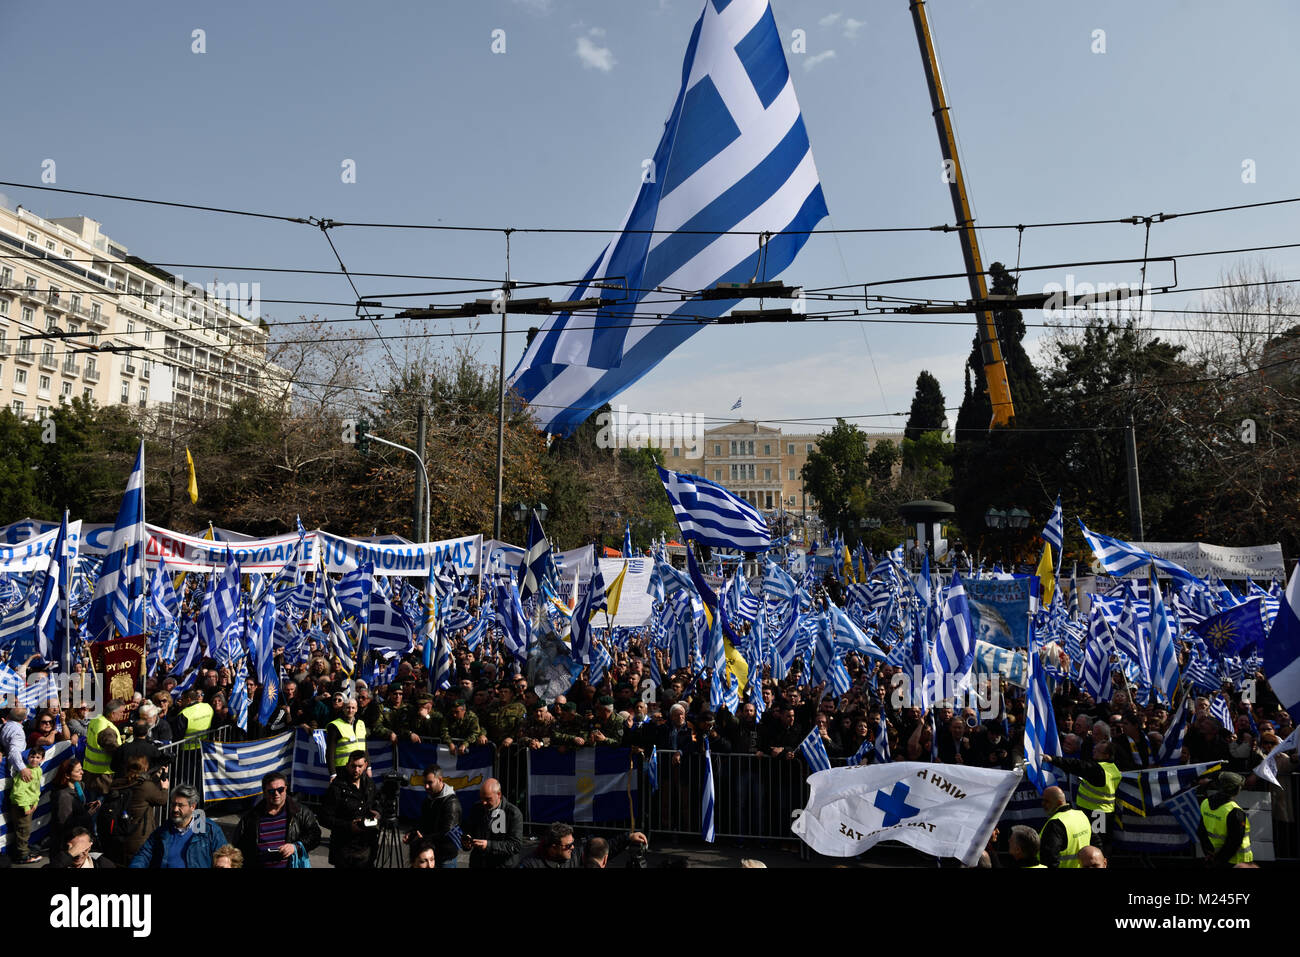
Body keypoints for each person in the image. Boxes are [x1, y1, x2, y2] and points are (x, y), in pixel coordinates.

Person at [231, 771, 321, 869]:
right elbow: (238, 847)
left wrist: (296, 847)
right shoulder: (251, 817)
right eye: (271, 791)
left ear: (286, 789)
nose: (276, 794)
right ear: (264, 793)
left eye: (280, 789)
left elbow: (315, 836)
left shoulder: (300, 812)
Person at [1045, 740, 1121, 852]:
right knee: (1100, 842)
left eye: (1098, 751)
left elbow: (1076, 765)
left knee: (1096, 844)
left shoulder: (1098, 770)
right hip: (1103, 812)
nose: (1094, 751)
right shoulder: (1113, 768)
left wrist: (1053, 759)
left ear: (1106, 755)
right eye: (1094, 748)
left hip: (1096, 813)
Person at [130, 784, 229, 868]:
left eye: (180, 805)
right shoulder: (164, 830)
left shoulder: (210, 830)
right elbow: (144, 853)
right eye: (173, 804)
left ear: (193, 807)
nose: (175, 809)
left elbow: (225, 859)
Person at [102, 754, 169, 866]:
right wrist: (165, 788)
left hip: (119, 835)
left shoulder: (117, 783)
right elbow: (162, 800)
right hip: (140, 837)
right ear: (145, 768)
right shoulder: (145, 786)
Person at [319, 751, 379, 868]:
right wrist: (348, 826)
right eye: (353, 766)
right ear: (347, 765)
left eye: (360, 766)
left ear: (366, 765)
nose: (356, 770)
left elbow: (377, 803)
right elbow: (324, 818)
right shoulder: (337, 787)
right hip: (344, 849)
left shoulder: (370, 784)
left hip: (367, 846)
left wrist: (378, 814)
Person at [407, 765, 462, 869]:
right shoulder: (428, 799)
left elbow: (447, 833)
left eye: (430, 782)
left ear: (440, 780)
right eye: (425, 783)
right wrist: (412, 833)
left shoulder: (451, 803)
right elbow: (423, 822)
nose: (426, 786)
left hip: (445, 858)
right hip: (431, 854)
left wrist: (424, 838)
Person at [463, 778, 523, 869]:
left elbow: (515, 845)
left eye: (488, 799)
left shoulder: (513, 813)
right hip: (478, 863)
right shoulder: (477, 808)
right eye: (482, 798)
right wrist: (467, 840)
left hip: (502, 865)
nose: (484, 802)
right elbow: (469, 829)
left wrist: (488, 845)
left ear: (499, 794)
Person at [1198, 771, 1252, 866]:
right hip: (1236, 861)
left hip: (1213, 857)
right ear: (1237, 789)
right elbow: (1235, 841)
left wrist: (1209, 854)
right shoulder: (1235, 811)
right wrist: (1219, 860)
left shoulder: (1205, 802)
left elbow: (1201, 832)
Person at [1036, 785, 1092, 869]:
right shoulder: (1081, 815)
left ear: (1059, 803)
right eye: (1043, 800)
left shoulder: (1055, 824)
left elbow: (1050, 859)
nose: (1043, 804)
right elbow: (1096, 843)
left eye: (1047, 801)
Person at [6, 745, 45, 863]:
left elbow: (36, 788)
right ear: (28, 758)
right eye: (32, 756)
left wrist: (36, 802)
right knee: (23, 831)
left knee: (26, 830)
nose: (34, 759)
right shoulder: (26, 773)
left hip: (30, 805)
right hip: (21, 807)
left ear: (42, 760)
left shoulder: (38, 770)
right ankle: (22, 856)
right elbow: (18, 792)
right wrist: (26, 807)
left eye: (38, 757)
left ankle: (23, 850)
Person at [48, 758, 94, 855]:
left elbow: (76, 809)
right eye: (77, 771)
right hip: (66, 845)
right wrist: (88, 814)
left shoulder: (79, 785)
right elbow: (66, 824)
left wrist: (86, 807)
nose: (82, 772)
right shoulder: (63, 797)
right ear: (67, 775)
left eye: (81, 769)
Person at [83, 699, 127, 796]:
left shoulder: (96, 720)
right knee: (98, 807)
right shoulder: (107, 730)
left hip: (90, 771)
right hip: (102, 777)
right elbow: (116, 752)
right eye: (121, 712)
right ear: (112, 713)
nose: (123, 714)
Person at [325, 697, 367, 774]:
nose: (350, 710)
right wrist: (333, 774)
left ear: (357, 709)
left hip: (360, 768)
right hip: (342, 769)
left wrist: (368, 767)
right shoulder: (334, 726)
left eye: (353, 708)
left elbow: (365, 748)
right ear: (343, 708)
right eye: (348, 707)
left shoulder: (361, 723)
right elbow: (329, 753)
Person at [44, 827, 115, 869]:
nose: (79, 853)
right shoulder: (58, 864)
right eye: (76, 848)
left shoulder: (103, 864)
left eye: (84, 848)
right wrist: (69, 855)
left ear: (90, 846)